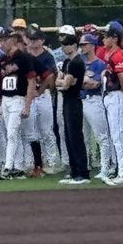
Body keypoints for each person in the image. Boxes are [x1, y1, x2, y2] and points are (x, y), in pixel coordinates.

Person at [0, 31, 36, 179]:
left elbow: (31, 81)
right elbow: (1, 84)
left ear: (12, 40)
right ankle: (18, 166)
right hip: (6, 99)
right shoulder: (2, 59)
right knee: (11, 134)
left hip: (18, 98)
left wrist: (27, 105)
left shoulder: (23, 57)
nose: (1, 43)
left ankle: (8, 167)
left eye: (4, 40)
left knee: (12, 133)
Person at [101, 21, 123, 186]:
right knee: (116, 135)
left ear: (114, 38)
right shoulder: (111, 53)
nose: (103, 40)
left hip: (117, 96)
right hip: (112, 96)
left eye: (106, 37)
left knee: (118, 136)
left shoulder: (117, 55)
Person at [25, 30, 61, 176]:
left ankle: (52, 163)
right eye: (31, 39)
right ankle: (33, 163)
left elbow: (51, 76)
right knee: (31, 132)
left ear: (41, 40)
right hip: (28, 97)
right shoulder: (24, 55)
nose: (33, 42)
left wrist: (40, 91)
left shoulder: (47, 56)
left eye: (36, 39)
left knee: (46, 131)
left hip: (42, 95)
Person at [55, 33, 90, 184]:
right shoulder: (66, 62)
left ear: (74, 45)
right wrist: (62, 81)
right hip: (66, 100)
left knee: (76, 136)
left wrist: (62, 81)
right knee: (68, 136)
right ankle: (74, 169)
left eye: (66, 44)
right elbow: (58, 81)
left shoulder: (76, 62)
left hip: (74, 100)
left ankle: (82, 172)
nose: (63, 47)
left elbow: (67, 83)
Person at [79, 33, 112, 180]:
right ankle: (84, 167)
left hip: (94, 100)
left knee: (102, 137)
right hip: (81, 99)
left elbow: (96, 84)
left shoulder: (100, 63)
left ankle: (106, 167)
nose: (82, 47)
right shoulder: (79, 61)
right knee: (82, 137)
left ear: (92, 46)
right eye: (81, 45)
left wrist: (82, 82)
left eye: (84, 44)